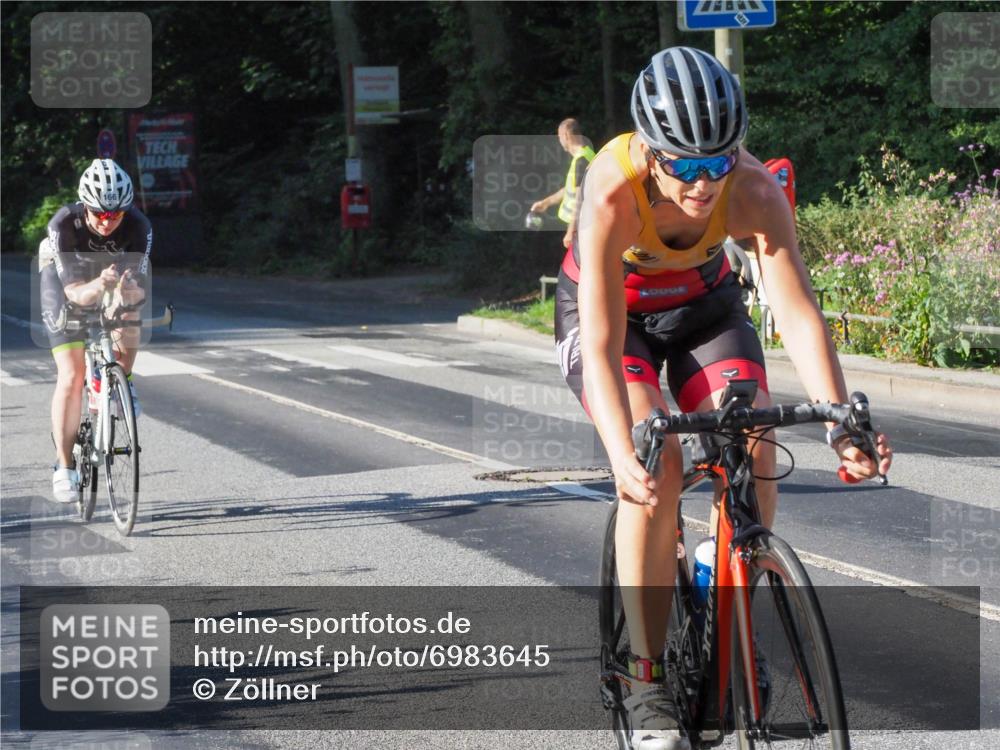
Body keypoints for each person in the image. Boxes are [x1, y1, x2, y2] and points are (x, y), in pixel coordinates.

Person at [554, 47, 893, 749]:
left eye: (720, 162)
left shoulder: (753, 188)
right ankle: (644, 679)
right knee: (659, 466)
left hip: (705, 307)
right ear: (649, 152)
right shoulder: (612, 190)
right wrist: (623, 454)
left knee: (757, 440)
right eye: (685, 165)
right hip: (615, 321)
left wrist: (840, 426)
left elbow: (796, 309)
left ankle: (729, 601)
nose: (705, 184)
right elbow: (603, 338)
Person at [39, 158, 152, 504]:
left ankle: (121, 380)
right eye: (99, 213)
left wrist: (125, 296)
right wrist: (98, 287)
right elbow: (74, 293)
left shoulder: (138, 226)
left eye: (115, 214)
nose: (107, 221)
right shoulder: (64, 225)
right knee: (72, 375)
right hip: (64, 284)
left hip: (111, 275)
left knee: (131, 310)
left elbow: (138, 288)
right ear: (85, 206)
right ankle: (64, 466)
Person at [530, 118, 596, 248]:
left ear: (566, 135)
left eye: (559, 137)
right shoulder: (586, 154)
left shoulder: (581, 161)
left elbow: (579, 198)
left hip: (582, 229)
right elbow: (569, 189)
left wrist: (571, 230)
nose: (559, 141)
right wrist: (545, 203)